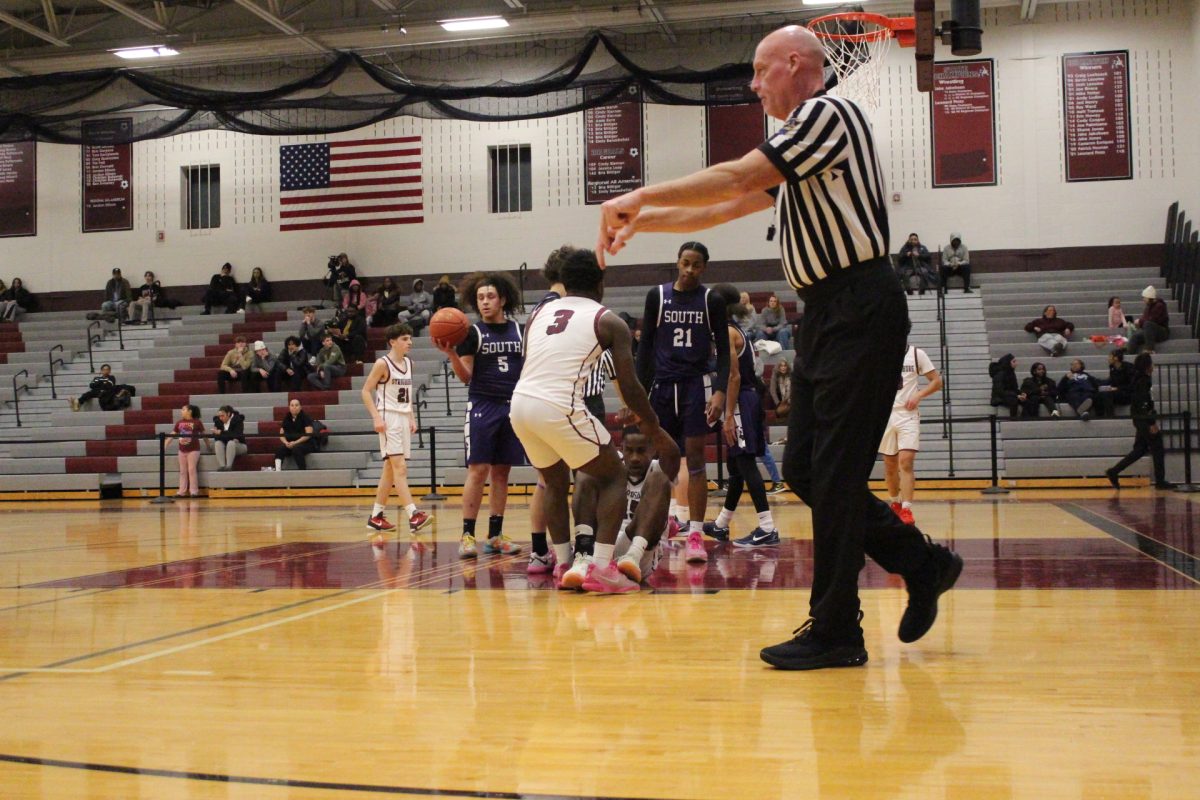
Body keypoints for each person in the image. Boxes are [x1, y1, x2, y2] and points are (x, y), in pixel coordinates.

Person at [597, 24, 962, 669]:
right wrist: (643, 218)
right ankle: (921, 562)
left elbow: (737, 173)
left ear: (796, 64)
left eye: (761, 71)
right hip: (826, 313)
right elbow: (728, 203)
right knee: (805, 471)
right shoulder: (802, 148)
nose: (754, 84)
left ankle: (838, 630)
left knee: (840, 476)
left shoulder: (829, 114)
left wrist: (639, 193)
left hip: (861, 308)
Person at [510, 248, 679, 594]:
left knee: (554, 482)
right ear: (600, 283)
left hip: (520, 405)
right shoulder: (608, 320)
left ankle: (562, 563)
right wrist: (653, 425)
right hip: (557, 404)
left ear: (564, 282)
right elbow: (630, 388)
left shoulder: (538, 313)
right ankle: (601, 567)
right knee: (613, 473)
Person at [635, 241, 730, 564]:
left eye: (697, 265)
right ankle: (655, 529)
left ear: (704, 267)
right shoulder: (657, 296)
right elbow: (645, 348)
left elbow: (725, 353)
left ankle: (694, 533)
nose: (690, 269)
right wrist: (637, 394)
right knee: (660, 461)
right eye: (686, 263)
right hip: (662, 386)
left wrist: (719, 391)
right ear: (677, 262)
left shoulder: (710, 300)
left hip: (695, 386)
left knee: (696, 460)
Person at [434, 271, 526, 559]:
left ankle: (495, 536)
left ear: (503, 299)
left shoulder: (520, 330)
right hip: (483, 405)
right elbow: (466, 377)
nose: (485, 302)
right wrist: (451, 355)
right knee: (478, 471)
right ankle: (467, 535)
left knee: (502, 473)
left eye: (490, 296)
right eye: (480, 298)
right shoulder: (471, 333)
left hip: (512, 405)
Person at [703, 284, 781, 547]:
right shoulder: (734, 330)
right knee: (736, 466)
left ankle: (767, 528)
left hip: (741, 401)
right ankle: (722, 524)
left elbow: (734, 376)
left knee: (745, 463)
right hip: (746, 399)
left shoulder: (726, 332)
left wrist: (727, 415)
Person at [361, 322, 433, 535]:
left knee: (390, 471)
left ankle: (376, 516)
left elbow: (407, 394)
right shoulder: (382, 364)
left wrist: (411, 416)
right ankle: (414, 515)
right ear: (392, 342)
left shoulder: (410, 363)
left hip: (402, 417)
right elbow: (365, 391)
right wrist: (376, 418)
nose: (409, 342)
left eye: (410, 338)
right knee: (400, 468)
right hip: (388, 417)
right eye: (404, 339)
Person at [879, 334, 942, 525]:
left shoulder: (916, 354)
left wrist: (919, 395)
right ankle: (895, 503)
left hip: (908, 415)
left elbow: (936, 381)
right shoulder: (879, 354)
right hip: (886, 414)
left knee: (905, 462)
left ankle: (906, 508)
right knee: (890, 464)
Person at [1106, 354, 1175, 490]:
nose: (1153, 366)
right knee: (1157, 447)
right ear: (1147, 366)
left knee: (1140, 449)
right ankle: (1160, 481)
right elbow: (1144, 402)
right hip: (1143, 418)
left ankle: (1114, 471)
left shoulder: (1138, 379)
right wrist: (1151, 422)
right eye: (1151, 363)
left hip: (1138, 417)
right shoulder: (1143, 380)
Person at [168, 404, 203, 497]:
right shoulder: (179, 423)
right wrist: (165, 444)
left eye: (183, 409)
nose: (181, 411)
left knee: (191, 469)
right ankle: (181, 491)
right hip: (182, 450)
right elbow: (172, 434)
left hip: (193, 450)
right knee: (183, 471)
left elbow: (204, 434)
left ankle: (194, 491)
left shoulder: (197, 422)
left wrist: (208, 445)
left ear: (190, 411)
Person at [273, 398, 315, 471]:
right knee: (280, 449)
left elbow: (308, 434)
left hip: (306, 443)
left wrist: (295, 443)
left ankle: (302, 471)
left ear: (300, 407)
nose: (294, 407)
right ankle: (277, 470)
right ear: (289, 407)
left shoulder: (305, 417)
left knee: (297, 449)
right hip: (291, 443)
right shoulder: (287, 417)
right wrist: (286, 443)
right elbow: (281, 434)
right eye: (292, 405)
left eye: (296, 405)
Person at [1128, 286, 1170, 354]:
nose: (1143, 299)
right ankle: (1129, 354)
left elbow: (1152, 320)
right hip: (1149, 332)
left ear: (1149, 298)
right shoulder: (1148, 307)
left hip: (1162, 332)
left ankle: (1149, 349)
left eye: (1144, 297)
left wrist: (1140, 321)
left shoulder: (1159, 306)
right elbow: (1145, 320)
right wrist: (1139, 324)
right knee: (1135, 337)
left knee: (1148, 324)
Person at [1097, 348, 1136, 417]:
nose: (1108, 359)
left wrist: (1117, 388)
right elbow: (1111, 381)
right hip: (1116, 392)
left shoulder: (1129, 367)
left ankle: (1110, 416)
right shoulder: (1112, 368)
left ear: (1116, 358)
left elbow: (1132, 385)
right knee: (1099, 392)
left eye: (1110, 357)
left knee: (1107, 394)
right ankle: (1099, 416)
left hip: (1128, 394)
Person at [208, 405, 246, 471]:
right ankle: (222, 466)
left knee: (231, 443)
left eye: (222, 416)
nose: (220, 418)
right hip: (225, 445)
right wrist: (226, 435)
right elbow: (216, 437)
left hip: (239, 445)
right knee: (218, 443)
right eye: (219, 416)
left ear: (228, 414)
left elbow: (237, 435)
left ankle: (229, 466)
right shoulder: (218, 422)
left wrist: (221, 433)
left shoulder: (238, 420)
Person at [990, 353, 1023, 419]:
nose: (1016, 363)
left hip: (1009, 395)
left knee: (1028, 399)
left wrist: (1021, 394)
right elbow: (999, 391)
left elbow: (1014, 388)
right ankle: (1013, 419)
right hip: (999, 397)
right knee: (1014, 400)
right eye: (1014, 361)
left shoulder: (1011, 373)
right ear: (1008, 363)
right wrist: (1016, 395)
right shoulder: (1000, 374)